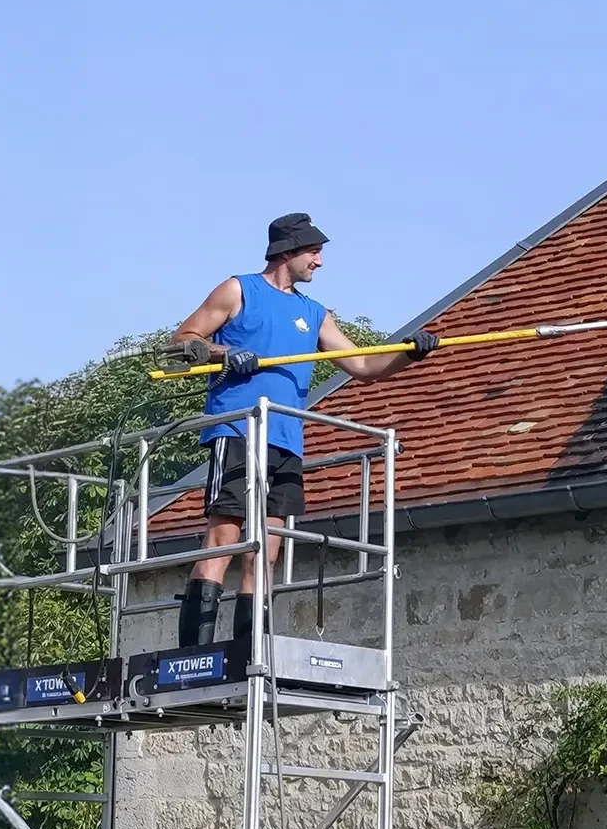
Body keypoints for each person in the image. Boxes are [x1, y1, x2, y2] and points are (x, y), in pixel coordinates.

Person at [167, 212, 436, 650]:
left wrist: (410, 353)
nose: (319, 262)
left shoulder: (314, 314)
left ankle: (249, 655)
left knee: (267, 551)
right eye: (313, 252)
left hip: (286, 441)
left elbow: (364, 365)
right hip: (238, 430)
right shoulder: (239, 290)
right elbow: (182, 340)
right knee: (223, 539)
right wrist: (224, 352)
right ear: (286, 251)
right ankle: (193, 657)